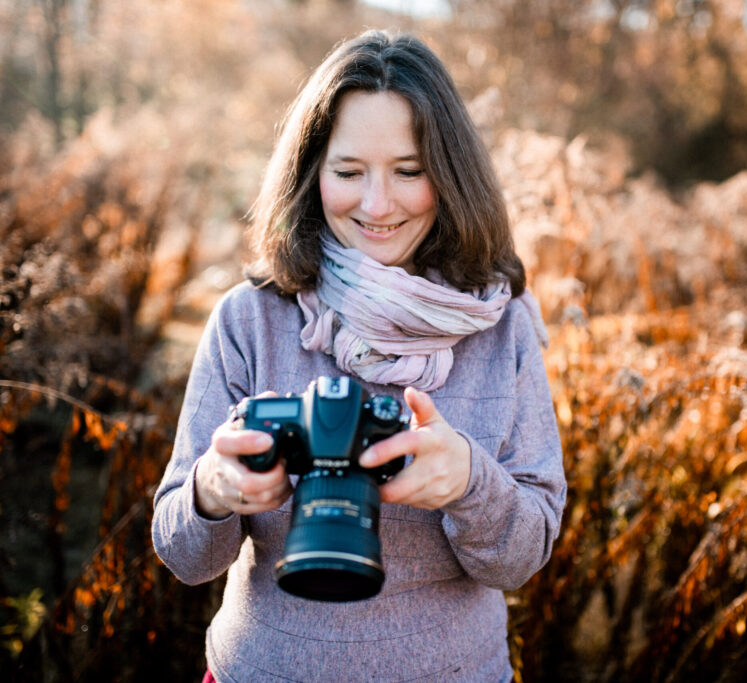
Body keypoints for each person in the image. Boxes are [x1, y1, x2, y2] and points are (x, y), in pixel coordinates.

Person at [152, 29, 566, 682]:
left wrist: (470, 484)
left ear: (450, 174)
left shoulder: (500, 325)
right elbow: (182, 551)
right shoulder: (250, 318)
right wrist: (212, 489)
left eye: (409, 171)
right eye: (348, 172)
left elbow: (525, 554)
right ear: (312, 172)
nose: (377, 205)